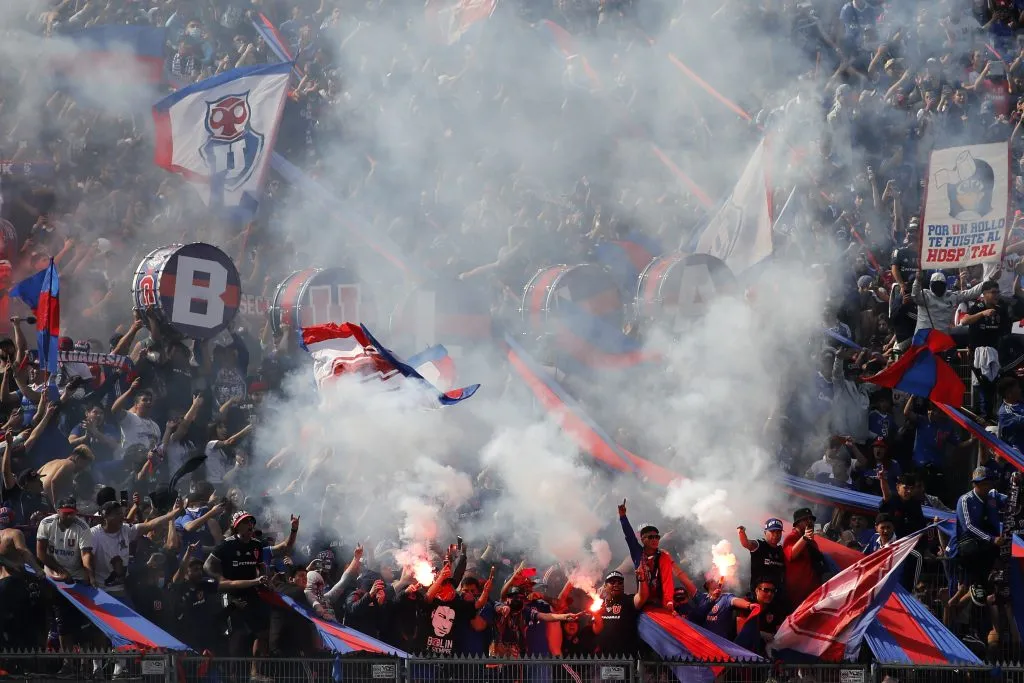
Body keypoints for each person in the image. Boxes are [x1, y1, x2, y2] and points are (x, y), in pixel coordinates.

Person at [953, 467, 1007, 606]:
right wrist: (991, 539)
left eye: (988, 483)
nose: (986, 487)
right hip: (969, 543)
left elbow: (1011, 501)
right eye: (982, 484)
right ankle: (975, 584)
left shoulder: (994, 496)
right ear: (974, 484)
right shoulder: (965, 500)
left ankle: (986, 584)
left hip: (991, 544)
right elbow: (968, 526)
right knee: (976, 551)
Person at [617, 499, 674, 610]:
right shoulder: (637, 553)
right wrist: (623, 517)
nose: (654, 539)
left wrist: (669, 602)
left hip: (659, 602)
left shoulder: (664, 556)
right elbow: (629, 536)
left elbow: (667, 581)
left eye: (657, 537)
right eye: (650, 537)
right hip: (641, 601)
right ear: (642, 539)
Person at [591, 568, 648, 656]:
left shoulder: (629, 600)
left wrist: (642, 579)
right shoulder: (598, 604)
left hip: (627, 656)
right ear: (605, 585)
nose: (616, 584)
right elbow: (596, 631)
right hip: (604, 656)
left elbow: (642, 597)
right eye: (612, 582)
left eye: (620, 582)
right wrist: (596, 615)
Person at [782, 508, 825, 610]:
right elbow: (791, 554)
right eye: (806, 519)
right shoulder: (791, 537)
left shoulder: (812, 542)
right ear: (797, 523)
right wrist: (804, 538)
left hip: (812, 591)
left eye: (811, 519)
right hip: (797, 593)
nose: (809, 522)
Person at [736, 518, 786, 597]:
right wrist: (741, 532)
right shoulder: (759, 545)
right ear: (765, 532)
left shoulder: (781, 550)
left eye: (778, 532)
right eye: (772, 531)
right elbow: (746, 543)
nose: (776, 535)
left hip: (776, 595)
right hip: (759, 595)